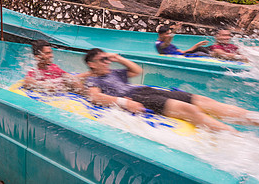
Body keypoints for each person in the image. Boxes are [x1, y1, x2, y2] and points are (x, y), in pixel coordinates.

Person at [82, 48, 259, 132]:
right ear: (91, 64)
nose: (107, 62)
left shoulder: (115, 72)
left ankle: (253, 118)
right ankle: (237, 138)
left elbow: (137, 71)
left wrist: (118, 58)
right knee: (190, 110)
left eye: (107, 59)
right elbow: (95, 97)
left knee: (204, 101)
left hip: (147, 90)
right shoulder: (93, 79)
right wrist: (124, 102)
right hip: (135, 97)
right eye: (102, 60)